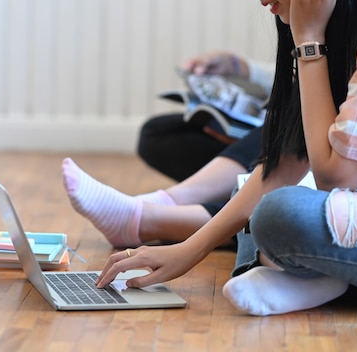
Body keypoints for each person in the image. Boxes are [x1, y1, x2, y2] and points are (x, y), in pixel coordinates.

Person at [93, 0, 357, 316]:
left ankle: (320, 277)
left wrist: (309, 40)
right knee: (246, 191)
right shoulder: (345, 23)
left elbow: (335, 178)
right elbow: (282, 167)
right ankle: (316, 275)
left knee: (278, 213)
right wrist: (187, 250)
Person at [61, 52, 274, 249]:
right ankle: (160, 204)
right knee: (158, 134)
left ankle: (148, 218)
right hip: (271, 150)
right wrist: (238, 66)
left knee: (284, 129)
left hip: (296, 164)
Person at [137, 52, 274, 182]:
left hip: (280, 145)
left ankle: (232, 194)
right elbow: (283, 77)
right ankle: (228, 189)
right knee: (156, 133)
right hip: (262, 124)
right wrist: (233, 63)